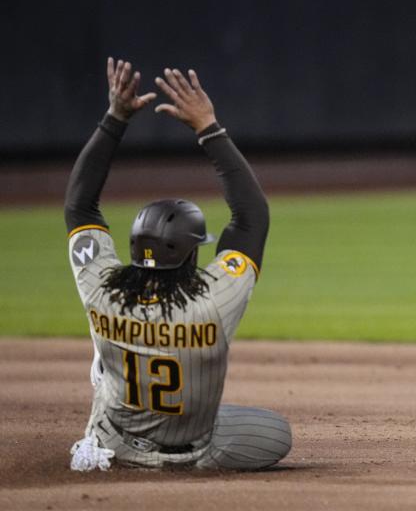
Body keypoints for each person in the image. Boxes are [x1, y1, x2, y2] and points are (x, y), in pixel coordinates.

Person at [65, 57, 292, 470]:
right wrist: (209, 126)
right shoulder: (214, 298)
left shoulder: (103, 290)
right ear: (190, 252)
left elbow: (80, 206)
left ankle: (99, 432)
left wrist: (115, 117)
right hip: (200, 450)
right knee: (278, 434)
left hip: (117, 441)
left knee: (106, 358)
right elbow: (251, 217)